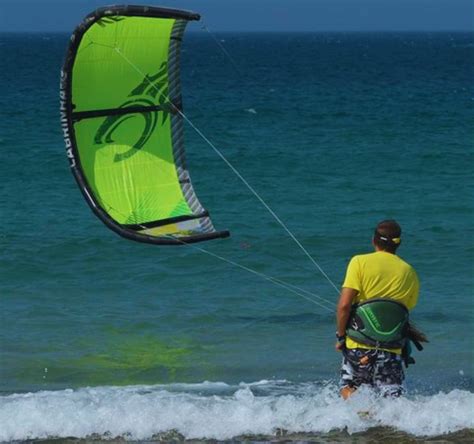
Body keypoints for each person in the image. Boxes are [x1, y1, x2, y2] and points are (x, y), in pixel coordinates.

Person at [335, 220, 421, 399]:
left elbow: (344, 306)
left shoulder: (359, 262)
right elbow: (403, 310)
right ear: (399, 243)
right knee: (391, 399)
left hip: (358, 347)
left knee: (350, 390)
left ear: (374, 240)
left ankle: (362, 422)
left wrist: (341, 337)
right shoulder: (409, 271)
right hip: (392, 349)